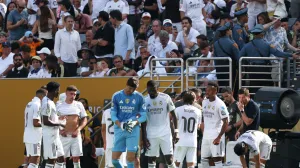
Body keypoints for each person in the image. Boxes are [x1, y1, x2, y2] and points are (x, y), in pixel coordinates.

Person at [110, 77, 146, 168]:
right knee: (114, 160)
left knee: (130, 158)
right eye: (130, 88)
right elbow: (113, 115)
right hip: (120, 129)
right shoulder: (116, 96)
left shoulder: (139, 97)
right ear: (126, 85)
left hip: (133, 130)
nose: (131, 91)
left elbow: (144, 116)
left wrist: (135, 123)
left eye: (134, 89)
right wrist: (120, 124)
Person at [143, 80, 177, 168]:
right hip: (151, 134)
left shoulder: (165, 98)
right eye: (149, 90)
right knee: (151, 159)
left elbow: (174, 115)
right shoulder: (145, 100)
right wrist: (144, 136)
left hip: (165, 133)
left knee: (169, 159)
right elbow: (143, 120)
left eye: (153, 90)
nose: (151, 92)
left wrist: (176, 131)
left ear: (158, 89)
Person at [56, 85, 87, 167]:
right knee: (62, 158)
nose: (73, 96)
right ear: (66, 93)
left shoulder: (79, 104)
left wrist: (78, 130)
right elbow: (53, 119)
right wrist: (59, 130)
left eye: (74, 94)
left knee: (76, 157)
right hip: (63, 135)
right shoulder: (59, 105)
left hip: (75, 135)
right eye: (71, 94)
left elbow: (84, 119)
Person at [201, 82, 229, 168]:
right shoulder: (204, 102)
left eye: (209, 90)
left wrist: (219, 137)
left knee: (217, 159)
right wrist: (203, 132)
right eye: (206, 90)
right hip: (206, 136)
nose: (207, 92)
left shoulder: (220, 104)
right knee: (204, 159)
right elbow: (203, 118)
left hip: (216, 136)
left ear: (215, 91)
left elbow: (226, 121)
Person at [174, 91, 202, 168]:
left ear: (183, 99)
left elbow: (173, 123)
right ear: (194, 99)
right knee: (191, 164)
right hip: (192, 141)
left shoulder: (178, 110)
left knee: (177, 164)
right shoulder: (198, 111)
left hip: (180, 140)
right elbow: (198, 126)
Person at [41, 81, 66, 168]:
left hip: (55, 135)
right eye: (58, 90)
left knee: (61, 158)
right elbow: (45, 121)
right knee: (52, 159)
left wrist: (59, 119)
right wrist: (60, 124)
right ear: (54, 91)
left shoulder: (51, 102)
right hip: (49, 135)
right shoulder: (47, 103)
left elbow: (51, 119)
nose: (59, 92)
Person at [23, 89, 47, 168]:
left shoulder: (29, 104)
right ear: (41, 96)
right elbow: (35, 123)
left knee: (30, 161)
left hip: (27, 135)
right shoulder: (37, 105)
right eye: (45, 96)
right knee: (35, 161)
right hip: (34, 136)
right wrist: (47, 124)